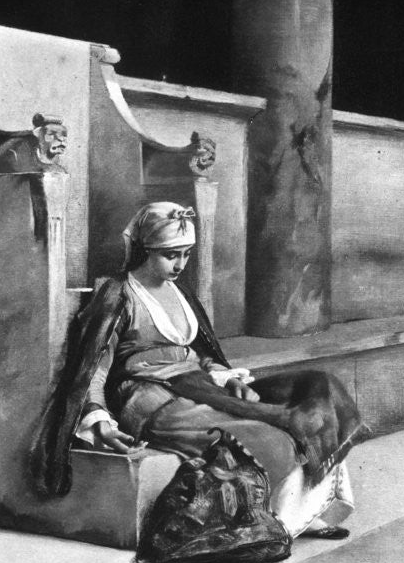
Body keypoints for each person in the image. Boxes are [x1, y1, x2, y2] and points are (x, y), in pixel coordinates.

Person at [33, 202, 365, 540]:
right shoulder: (120, 293)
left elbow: (199, 353)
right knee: (271, 435)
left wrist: (228, 377)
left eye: (186, 254)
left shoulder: (181, 293)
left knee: (314, 392)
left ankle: (304, 514)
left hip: (199, 384)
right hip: (151, 399)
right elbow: (95, 367)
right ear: (146, 250)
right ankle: (283, 521)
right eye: (171, 255)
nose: (180, 264)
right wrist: (99, 419)